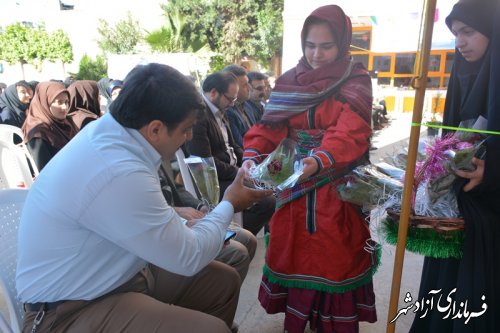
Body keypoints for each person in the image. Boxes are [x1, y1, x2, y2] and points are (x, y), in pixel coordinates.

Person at [16, 63, 273, 333]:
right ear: (155, 129)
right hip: (68, 310)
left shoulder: (118, 134)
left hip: (115, 276)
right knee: (212, 327)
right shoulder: (116, 167)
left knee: (222, 282)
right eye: (186, 129)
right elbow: (190, 256)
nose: (187, 137)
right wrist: (231, 201)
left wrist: (176, 215)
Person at [241, 5, 377, 333]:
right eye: (310, 45)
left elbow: (350, 131)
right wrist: (252, 154)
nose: (316, 54)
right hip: (292, 183)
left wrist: (318, 160)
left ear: (342, 43)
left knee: (334, 254)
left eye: (326, 46)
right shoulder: (289, 81)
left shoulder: (356, 80)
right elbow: (270, 126)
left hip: (335, 186)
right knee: (295, 251)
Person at [410, 1, 498, 332]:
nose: (459, 42)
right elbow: (452, 137)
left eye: (469, 32)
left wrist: (493, 171)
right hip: (456, 214)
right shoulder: (464, 74)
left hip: (489, 220)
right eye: (455, 33)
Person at [186, 71, 275, 236]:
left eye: (234, 99)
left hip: (232, 172)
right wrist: (239, 172)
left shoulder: (220, 110)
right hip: (217, 180)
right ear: (213, 93)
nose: (233, 104)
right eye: (230, 99)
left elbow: (234, 147)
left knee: (271, 185)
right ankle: (235, 236)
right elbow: (205, 163)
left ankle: (240, 235)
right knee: (267, 200)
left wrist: (250, 162)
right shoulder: (199, 118)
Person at [158, 160, 257, 283]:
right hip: (163, 235)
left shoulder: (153, 155)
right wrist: (176, 213)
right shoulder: (134, 165)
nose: (187, 139)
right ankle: (216, 294)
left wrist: (200, 206)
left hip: (181, 221)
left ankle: (222, 291)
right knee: (238, 253)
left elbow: (177, 188)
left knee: (248, 238)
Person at [21, 81, 79, 171]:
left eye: (67, 102)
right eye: (59, 102)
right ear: (45, 103)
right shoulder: (38, 133)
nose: (64, 107)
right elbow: (44, 170)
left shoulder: (67, 122)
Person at [223, 65, 258, 148]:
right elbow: (240, 144)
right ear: (232, 88)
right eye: (245, 85)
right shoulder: (227, 111)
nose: (250, 88)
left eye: (248, 83)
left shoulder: (248, 106)